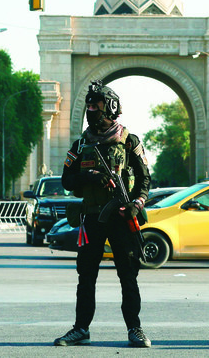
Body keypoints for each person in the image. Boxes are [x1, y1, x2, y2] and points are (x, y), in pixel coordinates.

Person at [54, 81, 152, 348]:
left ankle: (135, 328)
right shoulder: (81, 144)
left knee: (128, 275)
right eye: (88, 106)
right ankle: (81, 328)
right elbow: (67, 180)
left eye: (95, 106)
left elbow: (145, 180)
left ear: (110, 107)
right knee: (86, 276)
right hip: (92, 219)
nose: (90, 110)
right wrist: (90, 176)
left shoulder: (129, 141)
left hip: (121, 219)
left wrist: (137, 203)